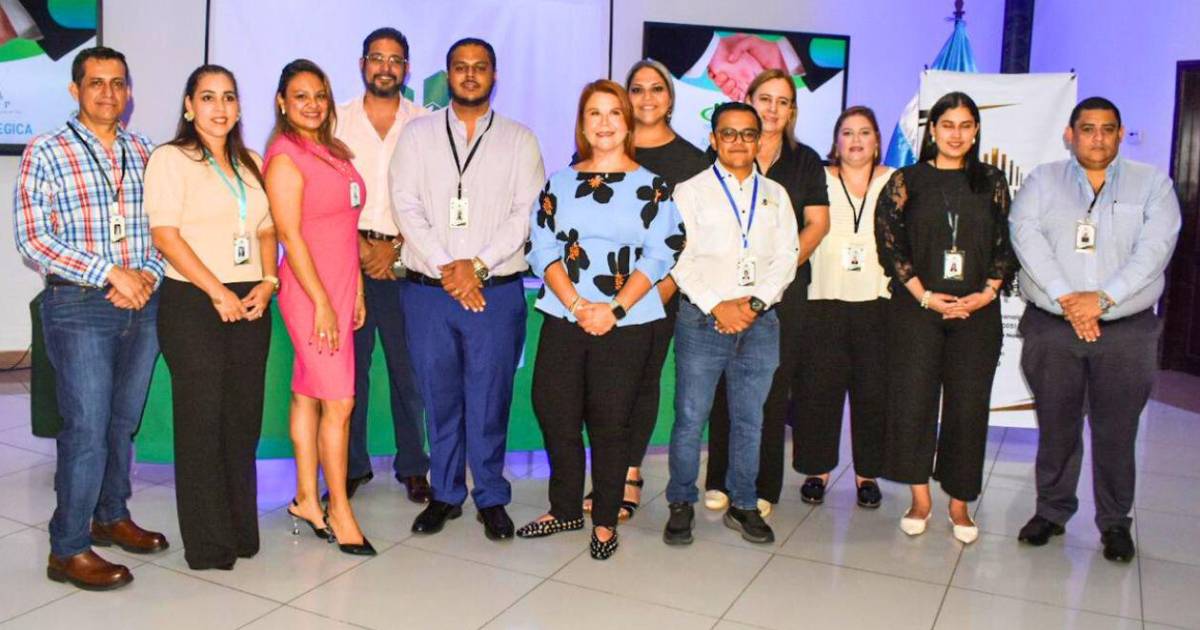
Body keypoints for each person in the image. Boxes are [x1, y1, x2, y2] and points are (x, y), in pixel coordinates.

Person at [13, 46, 168, 591]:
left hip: (142, 302)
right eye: (96, 82)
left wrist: (146, 274)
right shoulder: (46, 149)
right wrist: (111, 273)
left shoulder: (145, 150)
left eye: (118, 83)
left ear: (129, 91)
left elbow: (165, 228)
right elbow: (34, 239)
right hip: (78, 304)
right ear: (75, 90)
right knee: (87, 427)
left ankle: (110, 514)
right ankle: (68, 548)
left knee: (122, 422)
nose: (109, 92)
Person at [1009, 97, 1181, 562]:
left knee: (1116, 433)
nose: (1098, 138)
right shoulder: (1043, 181)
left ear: (1120, 134)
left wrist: (1101, 300)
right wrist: (1069, 298)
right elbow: (1025, 237)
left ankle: (1115, 523)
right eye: (1087, 129)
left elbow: (1155, 250)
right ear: (1070, 134)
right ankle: (1051, 511)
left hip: (1126, 332)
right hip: (1053, 328)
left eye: (1108, 129)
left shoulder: (1153, 185)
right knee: (1056, 428)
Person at [390, 38, 544, 540]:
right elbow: (405, 205)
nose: (470, 75)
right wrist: (447, 267)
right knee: (439, 397)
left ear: (494, 75)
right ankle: (446, 493)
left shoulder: (520, 140)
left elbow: (525, 213)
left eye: (480, 67)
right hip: (429, 293)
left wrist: (475, 266)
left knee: (490, 397)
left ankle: (492, 496)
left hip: (494, 292)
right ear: (448, 74)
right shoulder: (417, 135)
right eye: (461, 67)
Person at [519, 80, 679, 559]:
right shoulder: (559, 183)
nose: (605, 122)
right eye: (594, 113)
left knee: (612, 422)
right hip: (565, 316)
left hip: (627, 322)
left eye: (614, 113)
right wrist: (576, 306)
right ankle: (565, 507)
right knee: (555, 410)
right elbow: (541, 248)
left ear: (627, 123)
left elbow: (662, 253)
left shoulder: (652, 186)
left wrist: (614, 309)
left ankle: (605, 520)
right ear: (582, 124)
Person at [146, 65, 276, 570]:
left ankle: (240, 530)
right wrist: (217, 291)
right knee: (201, 422)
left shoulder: (251, 161)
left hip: (251, 300)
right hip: (194, 300)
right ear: (188, 106)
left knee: (242, 421)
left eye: (228, 97)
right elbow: (166, 235)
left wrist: (269, 280)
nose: (219, 107)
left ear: (239, 107)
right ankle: (208, 542)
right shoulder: (171, 159)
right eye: (207, 97)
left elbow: (265, 228)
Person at [874, 91, 1019, 544]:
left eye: (965, 125)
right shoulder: (906, 180)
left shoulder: (992, 181)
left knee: (968, 408)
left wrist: (987, 293)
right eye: (947, 125)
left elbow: (1006, 242)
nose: (956, 134)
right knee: (913, 402)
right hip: (917, 310)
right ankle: (920, 499)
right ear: (932, 130)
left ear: (976, 131)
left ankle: (959, 503)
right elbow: (890, 243)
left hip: (977, 312)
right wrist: (924, 295)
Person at [577, 59, 709, 521]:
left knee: (640, 382)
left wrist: (662, 288)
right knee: (601, 388)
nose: (647, 98)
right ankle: (604, 472)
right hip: (599, 297)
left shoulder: (693, 162)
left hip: (658, 295)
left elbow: (695, 236)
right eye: (637, 89)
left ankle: (629, 472)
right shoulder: (604, 147)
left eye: (657, 88)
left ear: (671, 98)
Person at [663, 102, 800, 546]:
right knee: (690, 417)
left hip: (760, 323)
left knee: (750, 419)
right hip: (701, 320)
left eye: (747, 134)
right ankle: (681, 502)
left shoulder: (776, 195)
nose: (738, 142)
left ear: (759, 140)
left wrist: (754, 304)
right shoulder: (689, 192)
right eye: (728, 133)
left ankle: (743, 503)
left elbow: (787, 256)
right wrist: (717, 306)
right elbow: (677, 256)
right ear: (713, 139)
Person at [705, 69, 829, 516]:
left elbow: (818, 224)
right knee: (725, 384)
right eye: (765, 99)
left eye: (783, 101)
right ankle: (719, 478)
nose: (773, 108)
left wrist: (773, 276)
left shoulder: (806, 160)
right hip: (726, 291)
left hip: (785, 292)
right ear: (749, 100)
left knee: (772, 389)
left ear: (792, 111)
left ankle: (763, 485)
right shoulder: (723, 152)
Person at [264, 58, 374, 556]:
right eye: (300, 96)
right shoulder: (285, 157)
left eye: (320, 95)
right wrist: (324, 303)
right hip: (310, 293)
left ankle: (307, 499)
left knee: (309, 394)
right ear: (282, 102)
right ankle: (340, 509)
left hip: (342, 287)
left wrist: (357, 290)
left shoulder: (334, 152)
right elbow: (290, 235)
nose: (312, 104)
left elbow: (345, 230)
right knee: (340, 402)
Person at [334, 27, 430, 504]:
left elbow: (433, 197)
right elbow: (323, 193)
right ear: (362, 64)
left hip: (404, 264)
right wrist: (358, 246)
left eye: (395, 60)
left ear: (406, 69)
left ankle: (413, 466)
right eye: (377, 57)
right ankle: (352, 466)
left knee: (407, 372)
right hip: (346, 263)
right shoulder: (335, 120)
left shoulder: (425, 124)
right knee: (350, 372)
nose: (385, 67)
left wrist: (393, 247)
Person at [793, 106, 892, 508]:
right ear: (836, 142)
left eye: (864, 132)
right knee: (818, 391)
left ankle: (867, 474)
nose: (856, 140)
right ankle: (817, 471)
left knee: (873, 393)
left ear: (877, 141)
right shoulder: (818, 178)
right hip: (824, 300)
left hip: (878, 303)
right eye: (847, 132)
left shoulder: (895, 182)